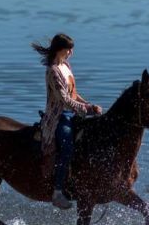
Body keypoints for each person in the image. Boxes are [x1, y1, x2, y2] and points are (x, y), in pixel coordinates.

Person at [31, 34, 103, 209]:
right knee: (67, 148)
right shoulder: (53, 70)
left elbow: (73, 94)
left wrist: (88, 104)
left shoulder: (66, 66)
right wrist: (86, 109)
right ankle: (57, 192)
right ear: (59, 49)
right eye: (68, 49)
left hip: (74, 114)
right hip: (59, 117)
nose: (71, 52)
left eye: (72, 49)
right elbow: (64, 100)